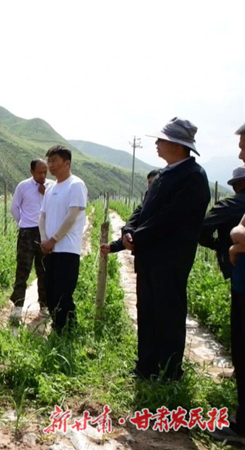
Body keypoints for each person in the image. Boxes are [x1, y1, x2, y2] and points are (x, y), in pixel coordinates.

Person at [124, 117, 210, 381]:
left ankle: (169, 370)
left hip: (170, 260)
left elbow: (172, 219)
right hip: (150, 257)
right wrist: (129, 228)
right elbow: (144, 208)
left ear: (177, 145)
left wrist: (138, 237)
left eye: (161, 141)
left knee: (168, 315)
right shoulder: (163, 175)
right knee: (147, 311)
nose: (157, 145)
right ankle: (146, 365)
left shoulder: (193, 177)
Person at [207, 123, 245, 445]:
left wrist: (231, 245)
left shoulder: (231, 206)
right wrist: (234, 243)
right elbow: (239, 233)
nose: (241, 153)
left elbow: (239, 234)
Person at [39, 145, 87, 334]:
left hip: (67, 249)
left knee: (63, 293)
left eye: (54, 161)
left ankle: (69, 331)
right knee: (50, 292)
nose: (51, 165)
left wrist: (54, 239)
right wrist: (45, 240)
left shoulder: (76, 185)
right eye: (49, 161)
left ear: (67, 163)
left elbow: (72, 216)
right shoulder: (51, 187)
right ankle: (59, 329)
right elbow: (42, 216)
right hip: (50, 249)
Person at [9, 159, 54, 321]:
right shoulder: (23, 186)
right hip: (28, 232)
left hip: (46, 234)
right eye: (39, 172)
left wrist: (45, 194)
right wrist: (24, 223)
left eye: (45, 172)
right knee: (23, 268)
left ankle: (44, 306)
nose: (42, 175)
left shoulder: (52, 187)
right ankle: (18, 305)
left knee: (44, 271)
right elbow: (14, 208)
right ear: (31, 172)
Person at [197, 166, 245, 279]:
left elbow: (201, 230)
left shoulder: (226, 206)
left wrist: (218, 245)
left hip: (236, 265)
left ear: (235, 186)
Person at [101, 170, 160, 255]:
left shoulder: (167, 207)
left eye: (154, 182)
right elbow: (132, 226)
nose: (151, 186)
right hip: (143, 260)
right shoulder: (145, 205)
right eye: (149, 182)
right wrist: (113, 246)